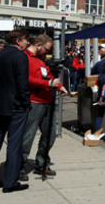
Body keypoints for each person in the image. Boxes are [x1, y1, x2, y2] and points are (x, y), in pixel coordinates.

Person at [0, 30, 30, 193]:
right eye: (25, 40)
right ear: (18, 41)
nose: (27, 43)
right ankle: (10, 182)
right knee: (14, 144)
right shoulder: (20, 57)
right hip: (16, 106)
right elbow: (22, 83)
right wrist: (26, 102)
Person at [20, 34, 68, 181]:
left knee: (50, 135)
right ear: (38, 44)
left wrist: (58, 85)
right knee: (28, 136)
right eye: (46, 49)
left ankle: (42, 163)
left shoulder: (40, 60)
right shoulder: (25, 58)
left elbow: (46, 76)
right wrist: (48, 84)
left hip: (47, 101)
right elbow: (26, 79)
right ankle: (19, 166)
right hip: (34, 102)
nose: (47, 52)